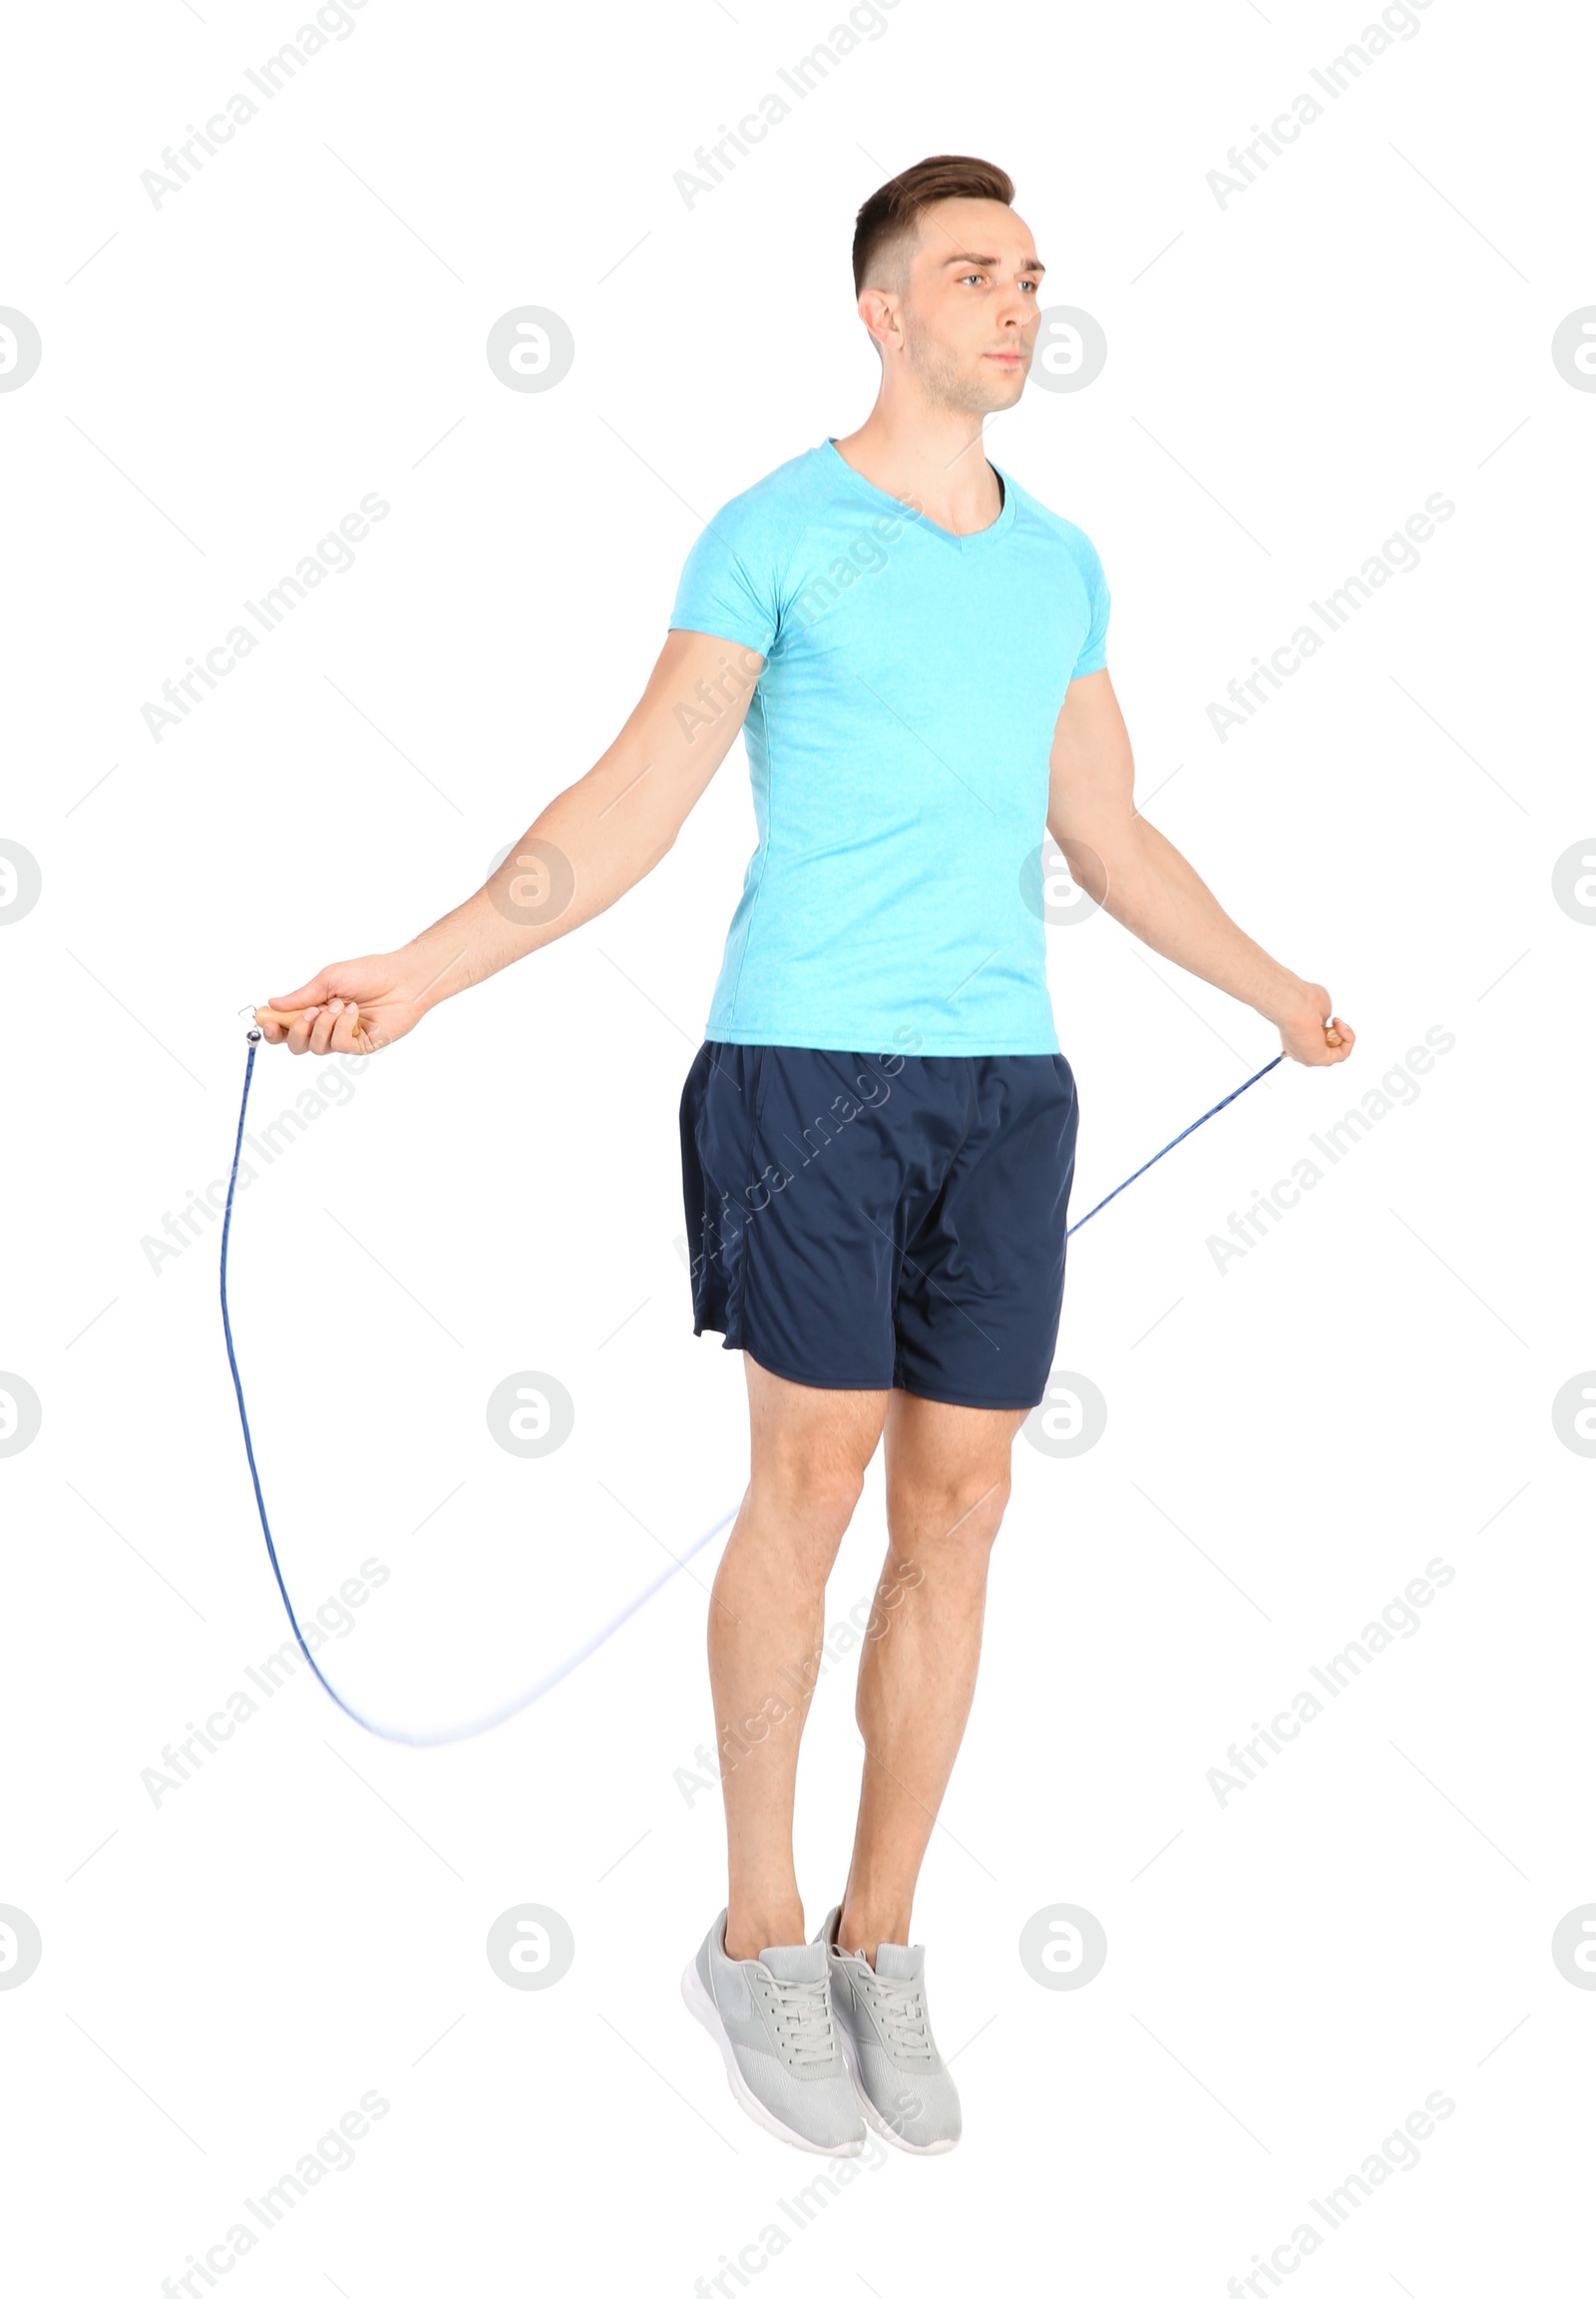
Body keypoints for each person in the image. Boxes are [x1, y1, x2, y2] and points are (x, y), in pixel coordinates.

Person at [256, 153, 1355, 2161]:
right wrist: (419, 969)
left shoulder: (1060, 562)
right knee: (815, 1472)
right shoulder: (773, 528)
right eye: (972, 275)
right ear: (880, 309)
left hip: (1004, 1088)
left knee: (961, 1506)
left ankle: (880, 1935)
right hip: (803, 1071)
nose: (1017, 304)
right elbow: (634, 796)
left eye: (1029, 274)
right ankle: (755, 1934)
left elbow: (1103, 832)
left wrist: (1272, 987)